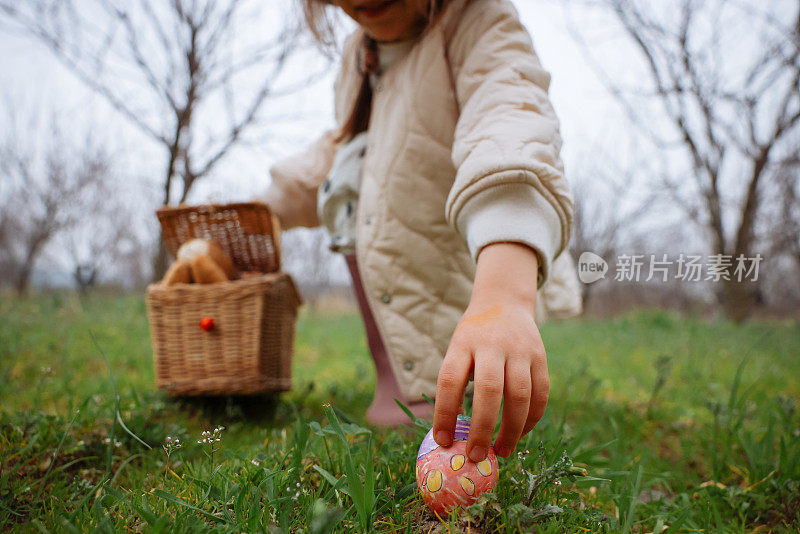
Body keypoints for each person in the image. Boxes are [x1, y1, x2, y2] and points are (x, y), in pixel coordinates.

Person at [262, 0, 577, 462]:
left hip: (478, 267)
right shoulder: (359, 56)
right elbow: (334, 157)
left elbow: (509, 120)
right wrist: (257, 212)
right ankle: (402, 378)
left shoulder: (476, 22)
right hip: (403, 266)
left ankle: (452, 379)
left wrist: (503, 295)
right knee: (352, 172)